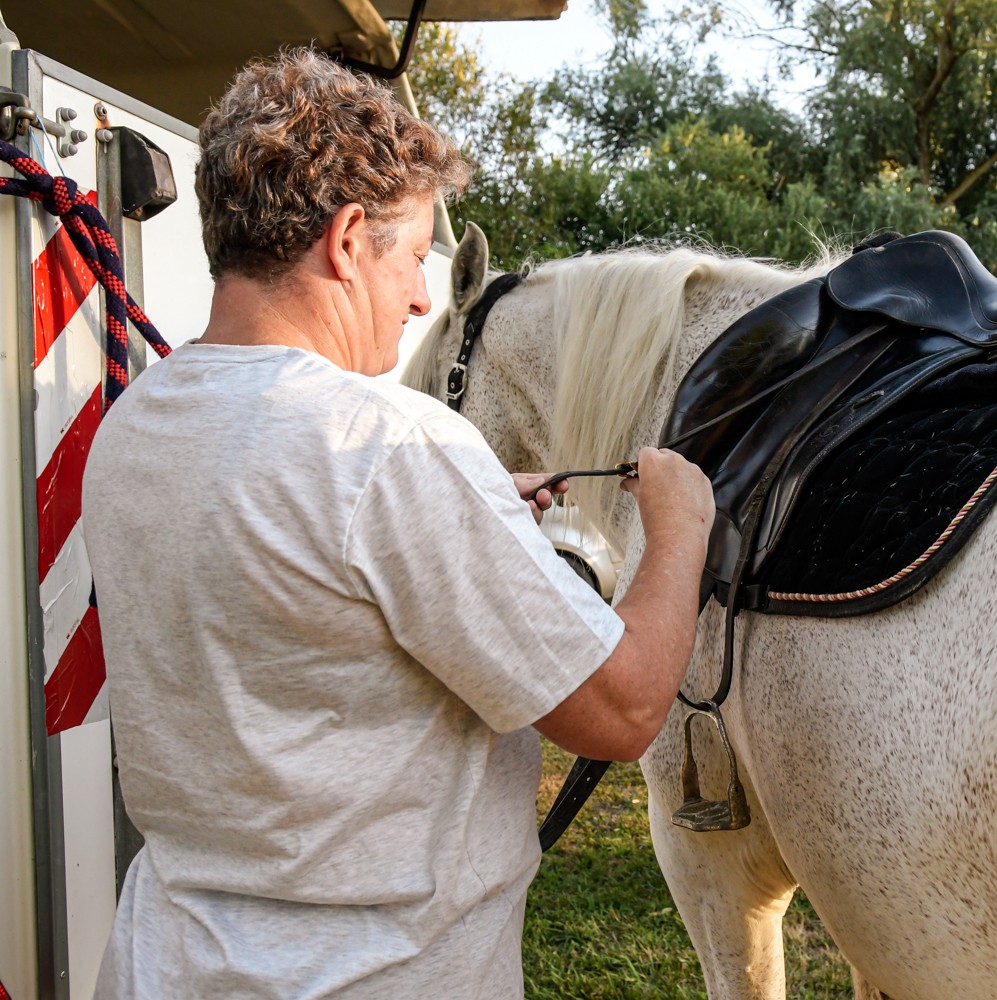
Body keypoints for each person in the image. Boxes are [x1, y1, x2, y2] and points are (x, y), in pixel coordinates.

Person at [81, 48, 713, 998]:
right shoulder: (390, 447)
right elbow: (619, 711)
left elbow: (299, 573)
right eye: (414, 255)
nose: (423, 295)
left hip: (164, 965)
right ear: (345, 241)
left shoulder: (135, 425)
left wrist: (469, 506)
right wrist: (680, 530)